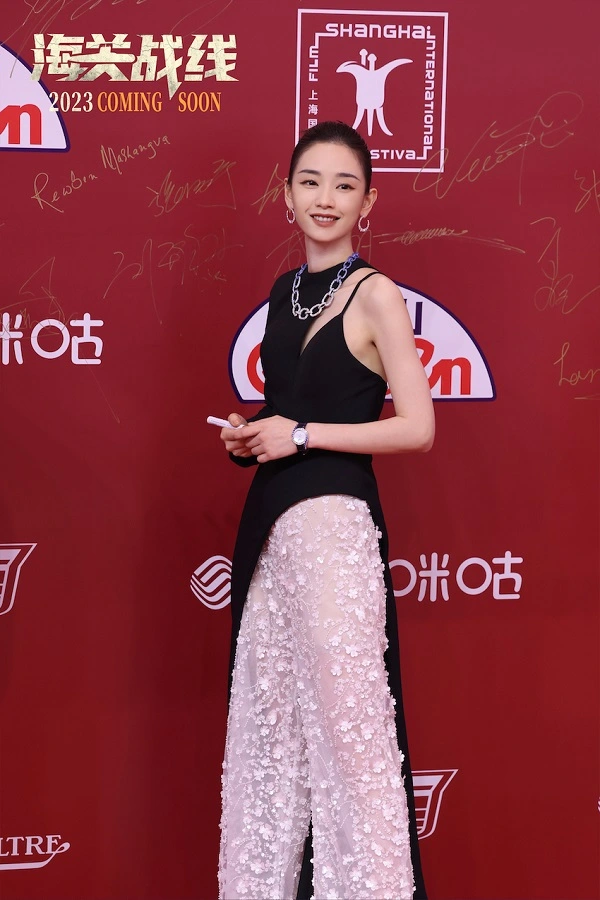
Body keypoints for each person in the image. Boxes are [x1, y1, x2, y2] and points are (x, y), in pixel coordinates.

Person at [217, 121, 434, 900]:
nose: (326, 198)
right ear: (287, 194)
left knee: (350, 735)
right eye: (311, 181)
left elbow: (417, 427)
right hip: (272, 531)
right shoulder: (283, 294)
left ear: (367, 202)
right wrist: (254, 437)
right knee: (268, 732)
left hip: (335, 531)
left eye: (345, 185)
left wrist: (302, 434)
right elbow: (291, 409)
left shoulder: (377, 295)